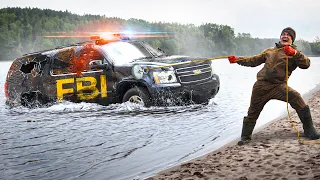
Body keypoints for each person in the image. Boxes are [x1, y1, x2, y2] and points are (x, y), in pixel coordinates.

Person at [228, 27, 320, 145]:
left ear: (292, 40)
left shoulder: (295, 53)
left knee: (296, 97)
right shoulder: (269, 51)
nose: (285, 36)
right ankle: (245, 137)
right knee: (252, 112)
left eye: (288, 35)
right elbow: (253, 60)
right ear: (280, 37)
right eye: (283, 34)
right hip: (261, 86)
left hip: (279, 86)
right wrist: (237, 60)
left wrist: (295, 53)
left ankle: (309, 130)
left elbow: (306, 64)